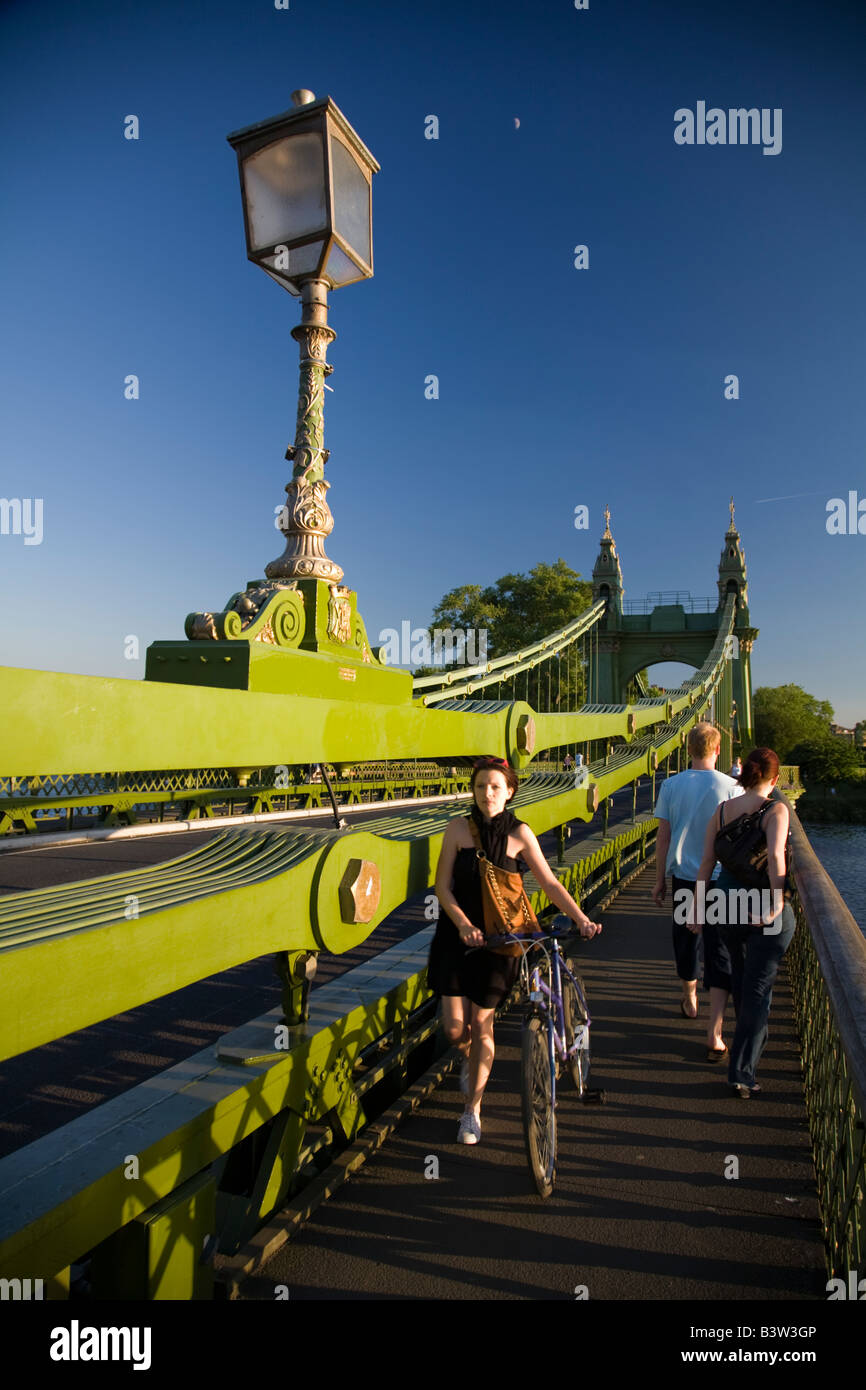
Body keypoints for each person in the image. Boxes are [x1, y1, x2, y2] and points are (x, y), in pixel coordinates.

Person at [428, 755, 602, 1145]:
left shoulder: (520, 834)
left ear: (509, 792)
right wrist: (464, 925)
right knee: (456, 1028)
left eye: (494, 787)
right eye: (479, 787)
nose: (486, 793)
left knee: (483, 1022)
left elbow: (550, 884)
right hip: (456, 938)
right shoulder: (458, 829)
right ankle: (470, 1055)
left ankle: (472, 1110)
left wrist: (580, 918)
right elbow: (442, 887)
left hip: (499, 942)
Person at [690, 748, 794, 1098]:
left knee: (741, 978)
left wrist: (696, 909)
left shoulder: (721, 813)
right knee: (758, 990)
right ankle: (742, 1072)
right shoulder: (776, 810)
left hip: (725, 908)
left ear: (744, 774)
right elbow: (777, 859)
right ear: (775, 779)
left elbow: (706, 863)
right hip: (763, 911)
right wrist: (778, 903)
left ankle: (742, 1061)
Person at [652, 722, 743, 1057]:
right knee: (719, 947)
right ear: (718, 750)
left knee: (685, 938)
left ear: (688, 750)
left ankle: (689, 994)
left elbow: (663, 837)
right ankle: (714, 1030)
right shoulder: (733, 786)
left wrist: (659, 879)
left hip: (686, 878)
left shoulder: (671, 785)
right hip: (722, 879)